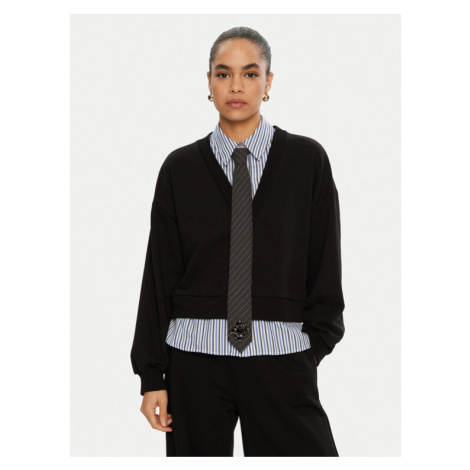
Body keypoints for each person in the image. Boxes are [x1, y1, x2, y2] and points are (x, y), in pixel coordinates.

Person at [130, 26, 345, 457]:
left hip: (281, 358)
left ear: (268, 82)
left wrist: (311, 347)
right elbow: (159, 275)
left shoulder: (307, 161)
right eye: (223, 74)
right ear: (209, 82)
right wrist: (152, 376)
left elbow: (324, 261)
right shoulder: (179, 168)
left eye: (250, 74)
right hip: (194, 360)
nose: (236, 86)